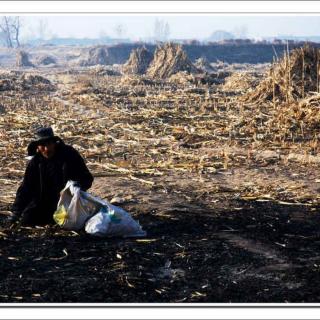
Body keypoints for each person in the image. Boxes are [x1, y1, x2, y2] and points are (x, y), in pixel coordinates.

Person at [9, 127, 94, 226]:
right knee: (26, 221)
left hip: (67, 203)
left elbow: (87, 178)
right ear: (37, 147)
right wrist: (16, 211)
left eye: (49, 144)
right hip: (43, 204)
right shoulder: (36, 162)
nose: (47, 149)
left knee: (70, 223)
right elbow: (26, 188)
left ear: (54, 143)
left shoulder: (69, 155)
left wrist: (76, 187)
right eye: (43, 145)